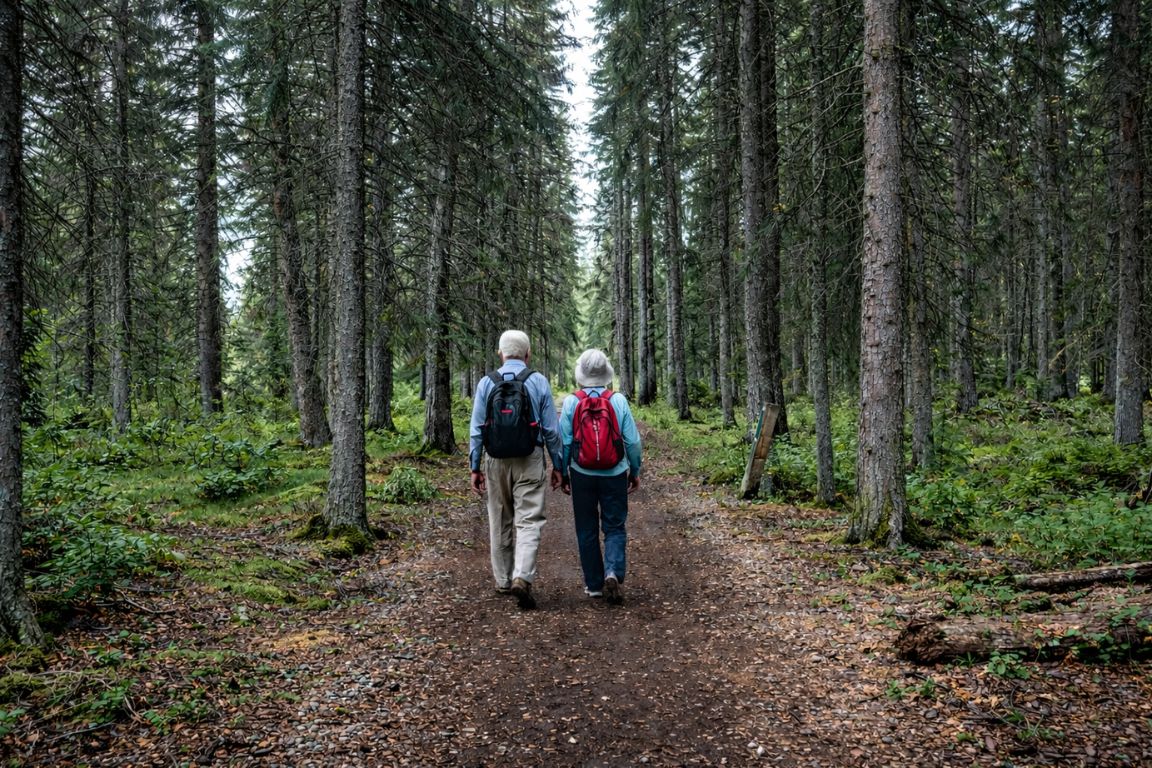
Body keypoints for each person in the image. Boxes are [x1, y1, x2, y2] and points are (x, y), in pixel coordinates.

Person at [469, 330, 564, 610]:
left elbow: (476, 430)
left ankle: (502, 580)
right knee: (529, 519)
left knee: (499, 518)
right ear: (527, 354)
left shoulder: (487, 383)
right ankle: (522, 576)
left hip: (496, 459)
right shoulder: (537, 381)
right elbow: (551, 429)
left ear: (500, 354)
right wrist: (558, 465)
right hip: (530, 456)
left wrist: (475, 466)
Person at [559, 349, 642, 605]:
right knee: (614, 526)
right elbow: (632, 441)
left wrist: (563, 472)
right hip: (614, 472)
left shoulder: (572, 402)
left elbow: (564, 442)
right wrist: (634, 470)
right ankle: (613, 572)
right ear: (606, 373)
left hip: (581, 472)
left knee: (586, 528)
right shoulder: (617, 401)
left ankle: (594, 585)